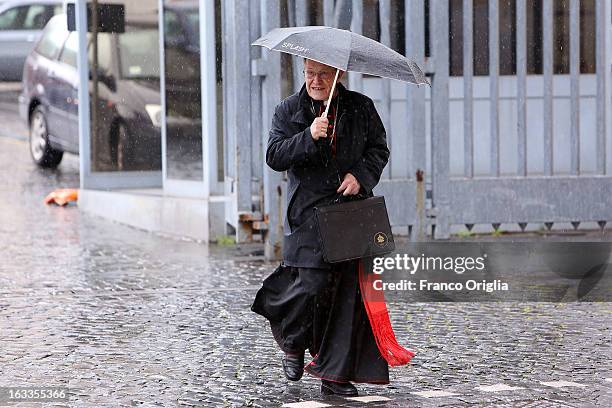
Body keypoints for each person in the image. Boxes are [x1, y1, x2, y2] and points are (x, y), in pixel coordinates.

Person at [251, 58, 404, 396]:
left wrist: (360, 176)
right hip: (307, 213)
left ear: (338, 75)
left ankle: (334, 376)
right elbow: (275, 155)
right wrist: (308, 136)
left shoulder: (360, 107)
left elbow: (379, 149)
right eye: (309, 73)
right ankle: (293, 340)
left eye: (323, 74)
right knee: (310, 282)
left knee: (347, 294)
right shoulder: (288, 110)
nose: (315, 81)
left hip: (350, 212)